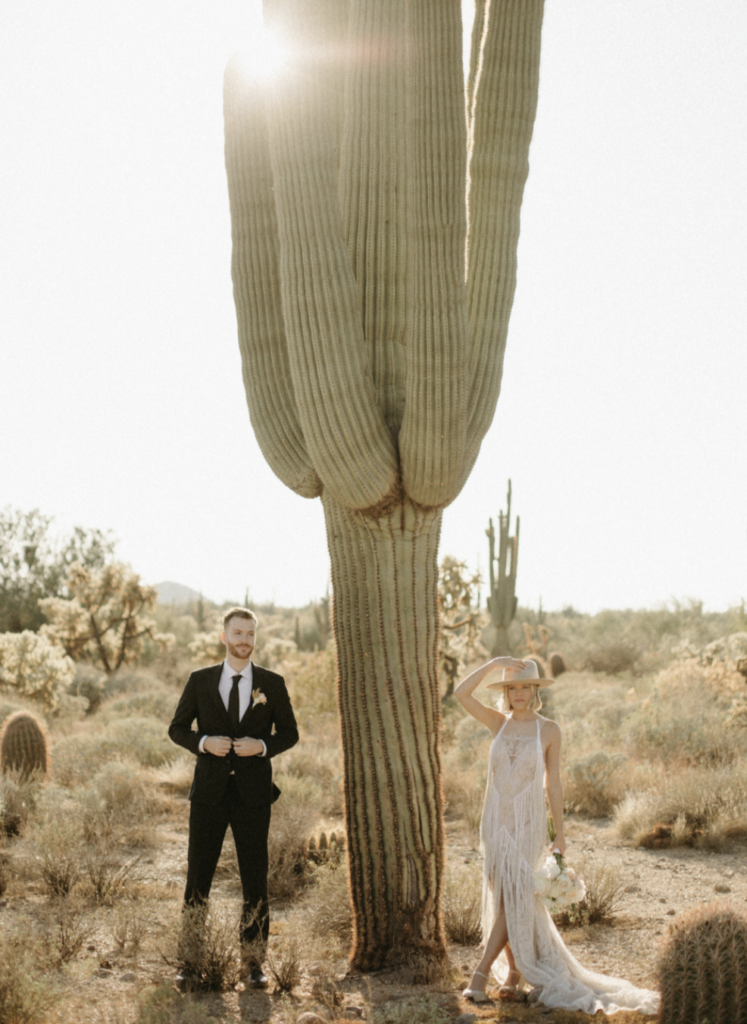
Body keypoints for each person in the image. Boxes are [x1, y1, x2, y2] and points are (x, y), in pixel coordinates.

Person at [455, 657, 658, 1015]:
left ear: (535, 690)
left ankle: (480, 976)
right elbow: (461, 693)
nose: (518, 694)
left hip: (527, 826)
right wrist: (495, 663)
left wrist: (559, 834)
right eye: (511, 687)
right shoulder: (498, 723)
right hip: (494, 824)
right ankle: (515, 975)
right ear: (506, 692)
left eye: (524, 687)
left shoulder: (548, 730)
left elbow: (554, 783)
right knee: (503, 897)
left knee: (513, 899)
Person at [168, 607, 299, 989]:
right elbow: (177, 728)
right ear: (224, 637)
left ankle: (254, 964)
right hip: (208, 794)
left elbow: (289, 734)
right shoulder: (200, 680)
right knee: (198, 879)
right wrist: (204, 742)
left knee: (254, 879)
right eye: (237, 633)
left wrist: (261, 746)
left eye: (250, 634)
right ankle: (189, 963)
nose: (244, 640)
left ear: (255, 638)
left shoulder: (272, 684)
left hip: (253, 795)